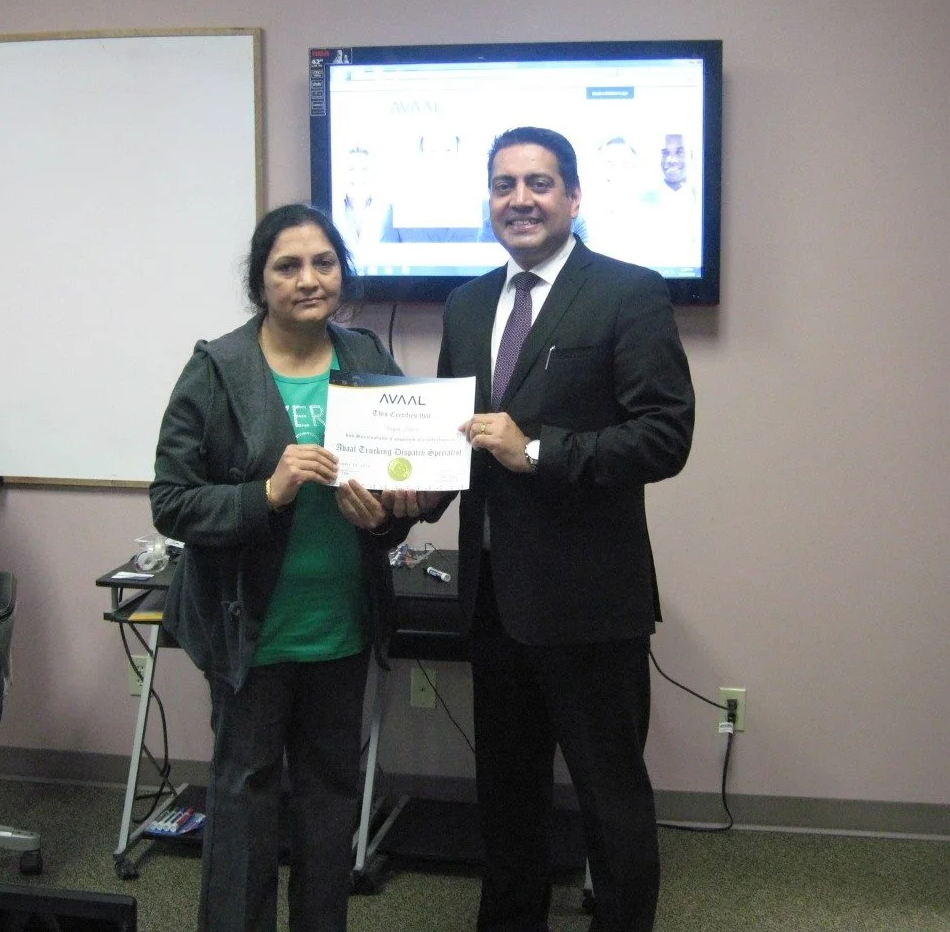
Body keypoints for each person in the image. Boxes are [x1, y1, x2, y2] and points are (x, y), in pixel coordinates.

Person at [391, 126, 695, 932]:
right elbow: (459, 443)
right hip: (493, 600)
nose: (519, 199)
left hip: (591, 601)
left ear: (574, 196)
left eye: (539, 183)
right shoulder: (466, 304)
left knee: (610, 799)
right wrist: (410, 496)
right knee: (506, 796)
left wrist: (535, 450)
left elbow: (665, 437)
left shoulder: (628, 291)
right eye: (504, 185)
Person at [151, 203, 411, 932]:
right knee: (243, 803)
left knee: (331, 803)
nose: (308, 279)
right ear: (259, 281)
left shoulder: (367, 357)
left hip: (341, 627)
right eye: (287, 266)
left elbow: (403, 484)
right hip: (252, 633)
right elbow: (171, 501)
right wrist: (264, 494)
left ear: (342, 274)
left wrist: (391, 512)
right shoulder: (217, 367)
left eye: (323, 263)